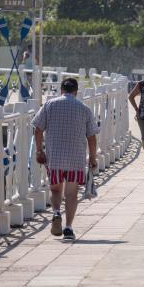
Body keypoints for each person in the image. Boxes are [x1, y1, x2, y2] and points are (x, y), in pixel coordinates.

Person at [32, 78, 99, 241]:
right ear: (76, 91)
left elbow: (38, 129)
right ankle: (68, 228)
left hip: (54, 158)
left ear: (61, 90)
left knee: (55, 190)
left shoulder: (49, 105)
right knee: (71, 194)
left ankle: (56, 212)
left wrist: (39, 150)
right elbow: (91, 137)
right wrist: (93, 157)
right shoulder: (84, 109)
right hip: (75, 159)